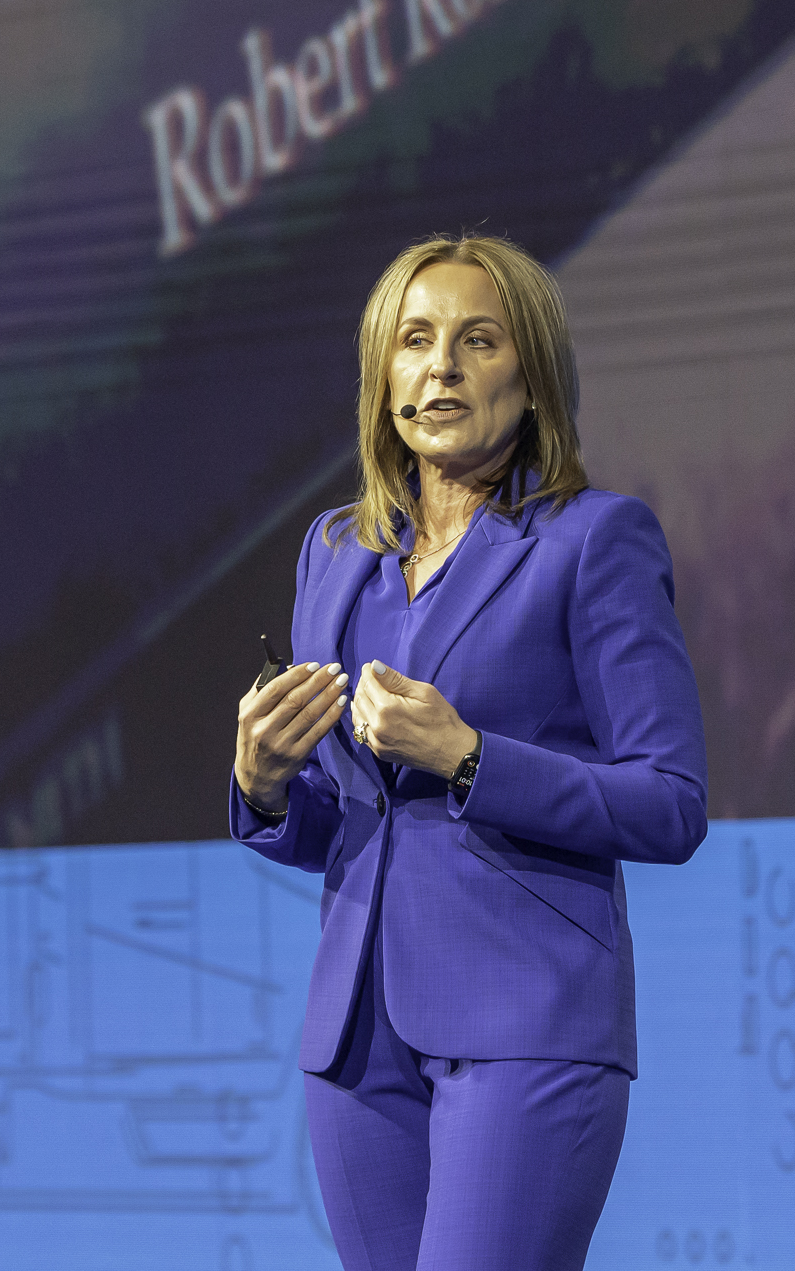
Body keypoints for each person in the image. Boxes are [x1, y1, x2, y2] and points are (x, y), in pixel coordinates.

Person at [227, 233, 708, 1270]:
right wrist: (263, 786)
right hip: (357, 1035)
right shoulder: (333, 552)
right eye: (413, 340)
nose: (439, 366)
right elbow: (354, 820)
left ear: (531, 380)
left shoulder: (594, 540)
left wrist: (470, 756)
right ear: (381, 377)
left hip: (525, 1022)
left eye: (476, 341)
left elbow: (670, 803)